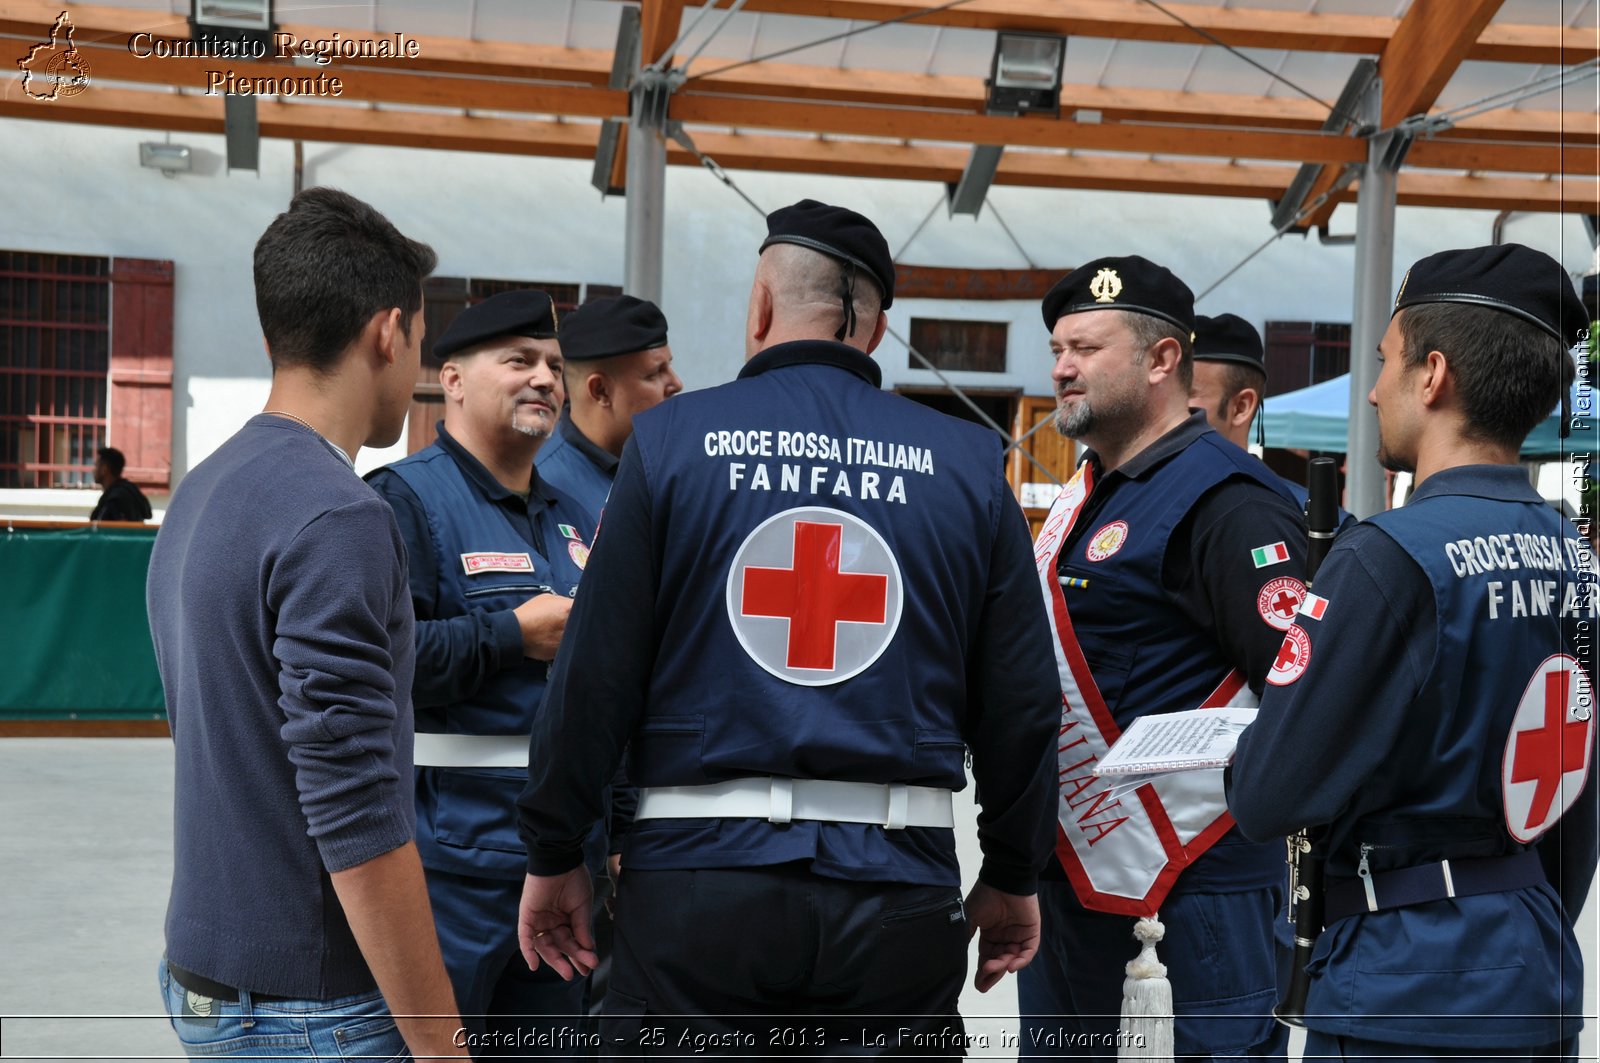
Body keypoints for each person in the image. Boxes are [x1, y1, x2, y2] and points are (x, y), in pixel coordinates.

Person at [515, 198, 1060, 1056]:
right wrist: (1013, 869)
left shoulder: (667, 445)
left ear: (761, 307)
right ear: (876, 331)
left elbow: (594, 676)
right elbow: (1024, 700)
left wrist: (554, 848)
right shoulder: (966, 466)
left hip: (699, 884)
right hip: (898, 888)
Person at [1228, 243, 1598, 1060]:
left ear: (1433, 376)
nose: (1371, 388)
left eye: (1385, 360)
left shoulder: (1385, 558)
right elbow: (1579, 810)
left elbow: (1266, 794)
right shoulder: (1580, 561)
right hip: (1533, 976)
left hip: (1396, 989)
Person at [145, 186, 465, 1059]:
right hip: (309, 1005)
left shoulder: (199, 492)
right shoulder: (340, 515)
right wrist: (442, 1045)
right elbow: (354, 808)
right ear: (388, 333)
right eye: (423, 342)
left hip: (205, 969)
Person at [1019, 256, 1305, 1060]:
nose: (1061, 366)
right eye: (1058, 347)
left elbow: (1301, 696)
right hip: (1070, 885)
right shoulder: (1088, 494)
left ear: (1161, 360)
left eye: (1085, 346)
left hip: (1190, 895)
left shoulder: (1231, 502)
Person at [367, 289, 597, 1054]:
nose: (544, 380)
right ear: (454, 379)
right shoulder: (402, 503)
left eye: (555, 366)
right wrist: (510, 635)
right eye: (520, 361)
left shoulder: (578, 521)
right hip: (449, 875)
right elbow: (384, 666)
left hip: (563, 867)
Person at [535, 294, 682, 518]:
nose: (676, 384)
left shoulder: (669, 464)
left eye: (669, 367)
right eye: (654, 374)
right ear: (600, 390)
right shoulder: (544, 487)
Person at [89, 446, 152, 521]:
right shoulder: (127, 491)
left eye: (96, 465)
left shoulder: (117, 499)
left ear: (104, 468)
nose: (93, 470)